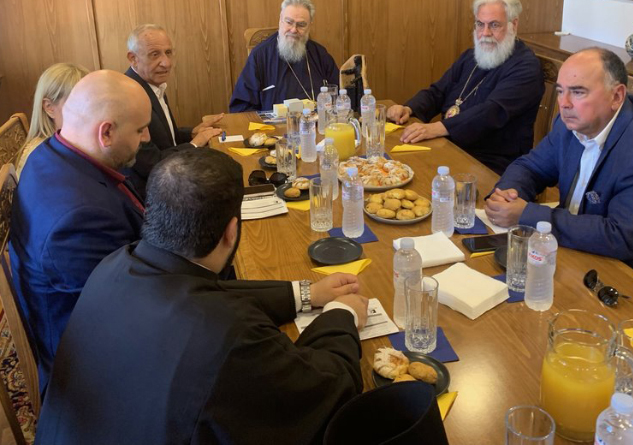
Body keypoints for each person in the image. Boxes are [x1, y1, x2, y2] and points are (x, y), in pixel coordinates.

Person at [36, 149, 368, 445]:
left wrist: (306, 293)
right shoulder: (231, 333)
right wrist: (342, 314)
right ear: (231, 232)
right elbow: (330, 387)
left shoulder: (118, 263)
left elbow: (205, 293)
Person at [485, 48, 633, 310]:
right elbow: (531, 166)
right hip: (578, 254)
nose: (564, 103)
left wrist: (526, 214)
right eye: (560, 91)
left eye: (578, 92)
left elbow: (622, 236)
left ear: (616, 96)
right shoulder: (572, 122)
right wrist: (508, 195)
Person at [9, 70, 151, 393]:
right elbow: (134, 309)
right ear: (106, 132)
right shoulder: (77, 219)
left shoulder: (53, 152)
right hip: (92, 376)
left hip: (106, 317)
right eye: (140, 129)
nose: (146, 138)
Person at [386, 0, 543, 174]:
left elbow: (492, 112)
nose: (485, 33)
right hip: (451, 147)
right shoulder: (472, 56)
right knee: (391, 165)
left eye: (494, 25)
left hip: (492, 162)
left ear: (513, 25)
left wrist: (437, 128)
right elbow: (439, 91)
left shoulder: (526, 67)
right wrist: (409, 108)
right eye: (480, 24)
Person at [125, 24, 223, 196]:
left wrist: (192, 133)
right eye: (155, 54)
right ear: (133, 58)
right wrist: (195, 144)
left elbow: (164, 139)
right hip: (151, 194)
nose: (166, 63)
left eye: (168, 52)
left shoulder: (153, 84)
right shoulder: (129, 96)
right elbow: (151, 163)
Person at [228, 0, 339, 112]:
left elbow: (339, 96)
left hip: (316, 122)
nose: (294, 30)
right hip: (271, 124)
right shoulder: (260, 56)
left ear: (309, 26)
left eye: (301, 25)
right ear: (280, 20)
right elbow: (241, 107)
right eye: (289, 22)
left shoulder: (320, 55)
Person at [15, 63, 89, 177]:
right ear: (49, 107)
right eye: (77, 104)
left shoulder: (72, 142)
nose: (88, 112)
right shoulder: (40, 158)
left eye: (89, 102)